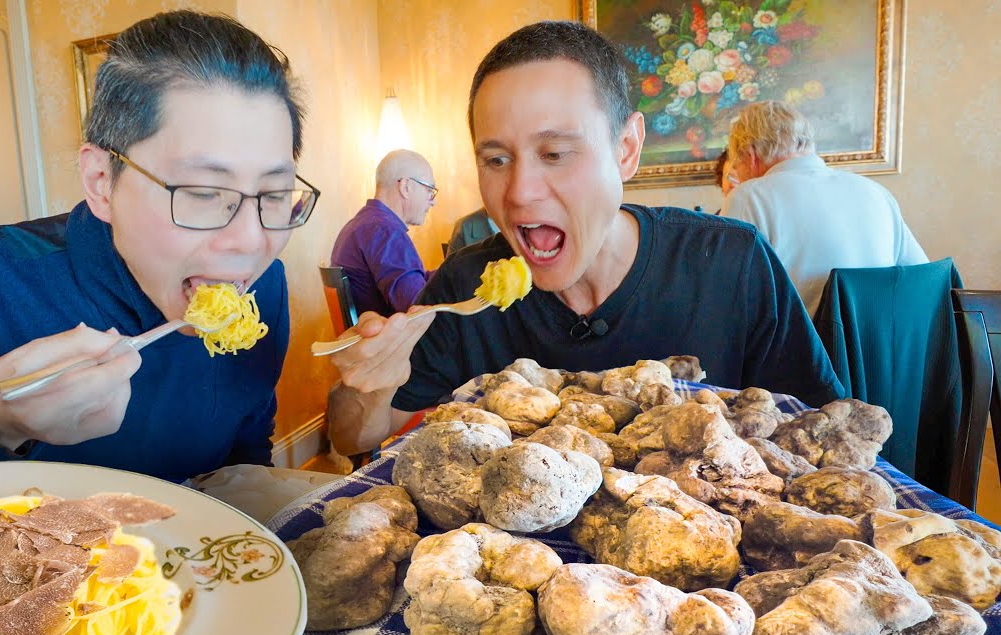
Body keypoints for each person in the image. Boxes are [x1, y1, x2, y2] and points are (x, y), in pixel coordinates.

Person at [0, 11, 319, 496]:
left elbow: (246, 450)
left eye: (274, 196)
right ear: (100, 182)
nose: (251, 241)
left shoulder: (261, 285)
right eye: (204, 193)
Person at [325, 21, 843, 456]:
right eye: (496, 160)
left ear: (626, 149)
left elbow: (824, 434)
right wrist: (367, 383)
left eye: (554, 153)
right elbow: (351, 439)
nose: (520, 193)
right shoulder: (465, 288)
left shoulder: (731, 264)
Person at [721, 100, 927, 316]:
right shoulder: (876, 192)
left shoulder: (748, 197)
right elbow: (922, 278)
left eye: (736, 166)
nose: (737, 176)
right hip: (881, 346)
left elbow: (725, 297)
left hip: (800, 348)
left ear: (750, 155)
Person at [330, 150, 436, 315]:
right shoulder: (385, 232)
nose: (433, 201)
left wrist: (452, 272)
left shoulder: (363, 224)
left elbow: (413, 282)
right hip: (392, 338)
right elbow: (418, 308)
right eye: (430, 190)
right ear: (405, 187)